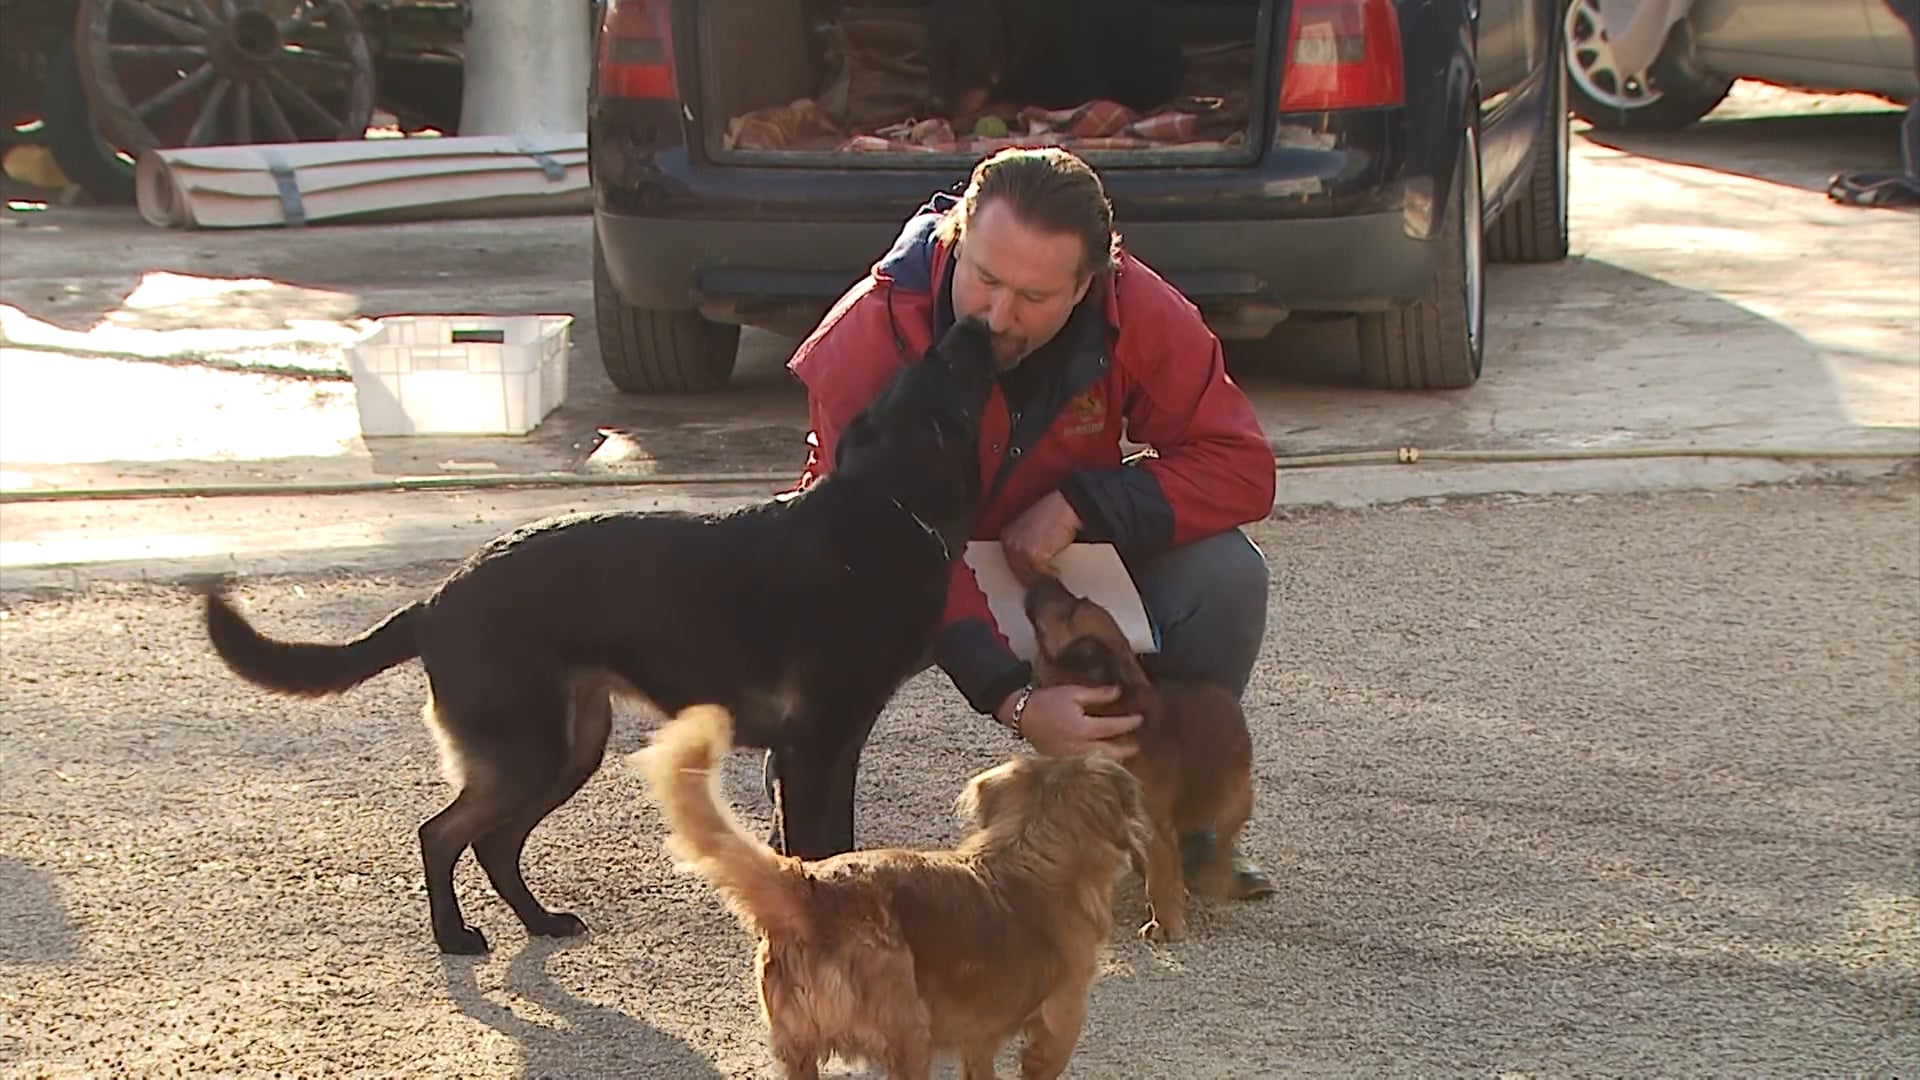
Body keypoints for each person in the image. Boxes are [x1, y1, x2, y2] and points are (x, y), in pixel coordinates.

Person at [781, 146, 1278, 888]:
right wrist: (1014, 700)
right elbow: (870, 536)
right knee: (821, 606)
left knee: (1227, 575)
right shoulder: (868, 337)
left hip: (1053, 561)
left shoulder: (1135, 309)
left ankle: (1176, 824)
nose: (996, 316)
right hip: (900, 562)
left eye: (1035, 298)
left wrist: (1087, 501)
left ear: (1089, 284)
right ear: (954, 238)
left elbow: (1241, 464)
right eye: (983, 279)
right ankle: (812, 864)